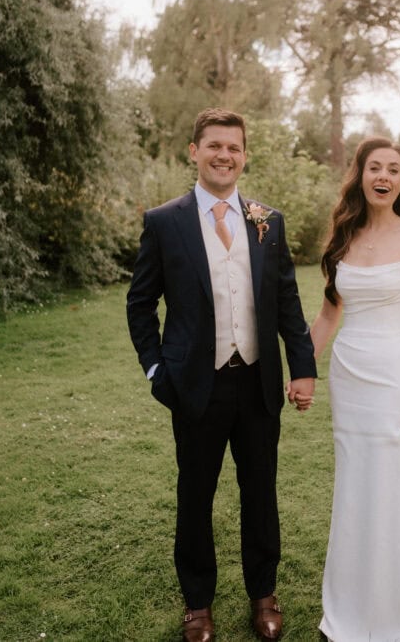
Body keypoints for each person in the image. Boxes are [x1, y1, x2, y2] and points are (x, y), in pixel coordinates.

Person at [126, 108, 317, 642]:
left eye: (233, 147)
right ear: (194, 150)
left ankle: (264, 597)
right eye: (214, 145)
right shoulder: (165, 221)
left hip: (256, 384)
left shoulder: (266, 220)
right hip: (195, 387)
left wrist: (301, 368)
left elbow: (285, 300)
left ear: (244, 154)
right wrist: (156, 370)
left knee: (261, 493)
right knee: (196, 495)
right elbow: (140, 304)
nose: (224, 156)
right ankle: (198, 605)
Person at [309, 137, 400, 641]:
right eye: (373, 168)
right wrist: (302, 369)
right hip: (349, 375)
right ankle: (348, 602)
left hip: (392, 375)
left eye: (393, 170)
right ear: (360, 176)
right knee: (353, 487)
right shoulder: (343, 237)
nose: (382, 176)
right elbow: (327, 315)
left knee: (387, 483)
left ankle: (390, 605)